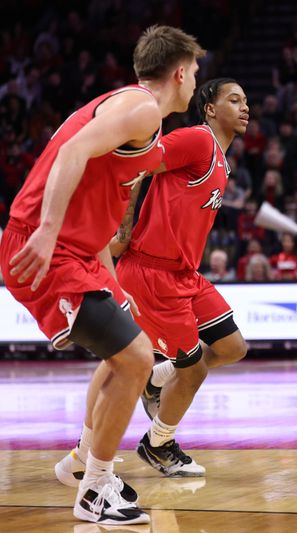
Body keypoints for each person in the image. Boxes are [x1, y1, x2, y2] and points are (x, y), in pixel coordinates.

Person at [0, 25, 204, 525]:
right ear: (179, 72)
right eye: (195, 72)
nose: (197, 81)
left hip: (81, 252)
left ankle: (81, 465)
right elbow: (70, 155)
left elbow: (99, 199)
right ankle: (95, 490)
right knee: (136, 358)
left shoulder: (134, 113)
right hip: (46, 246)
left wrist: (111, 279)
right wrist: (47, 230)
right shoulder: (140, 108)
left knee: (127, 353)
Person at [59, 79, 250, 482]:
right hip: (152, 273)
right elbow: (135, 165)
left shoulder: (221, 159)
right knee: (193, 370)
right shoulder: (198, 140)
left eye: (246, 101)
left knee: (232, 347)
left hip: (185, 274)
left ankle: (155, 378)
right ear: (210, 109)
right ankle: (158, 443)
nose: (244, 107)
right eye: (234, 100)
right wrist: (123, 228)